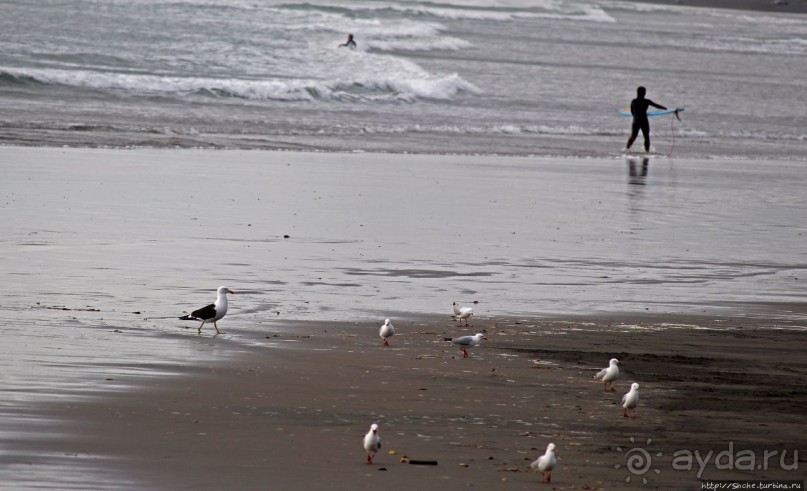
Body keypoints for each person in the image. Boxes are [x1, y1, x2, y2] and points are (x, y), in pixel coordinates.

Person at [625, 86, 667, 153]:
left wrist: (635, 116)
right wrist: (665, 108)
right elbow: (656, 105)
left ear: (637, 93)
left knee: (633, 136)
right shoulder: (647, 101)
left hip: (636, 121)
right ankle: (647, 152)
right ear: (644, 93)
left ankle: (626, 149)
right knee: (646, 137)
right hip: (644, 121)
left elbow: (632, 111)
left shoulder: (634, 101)